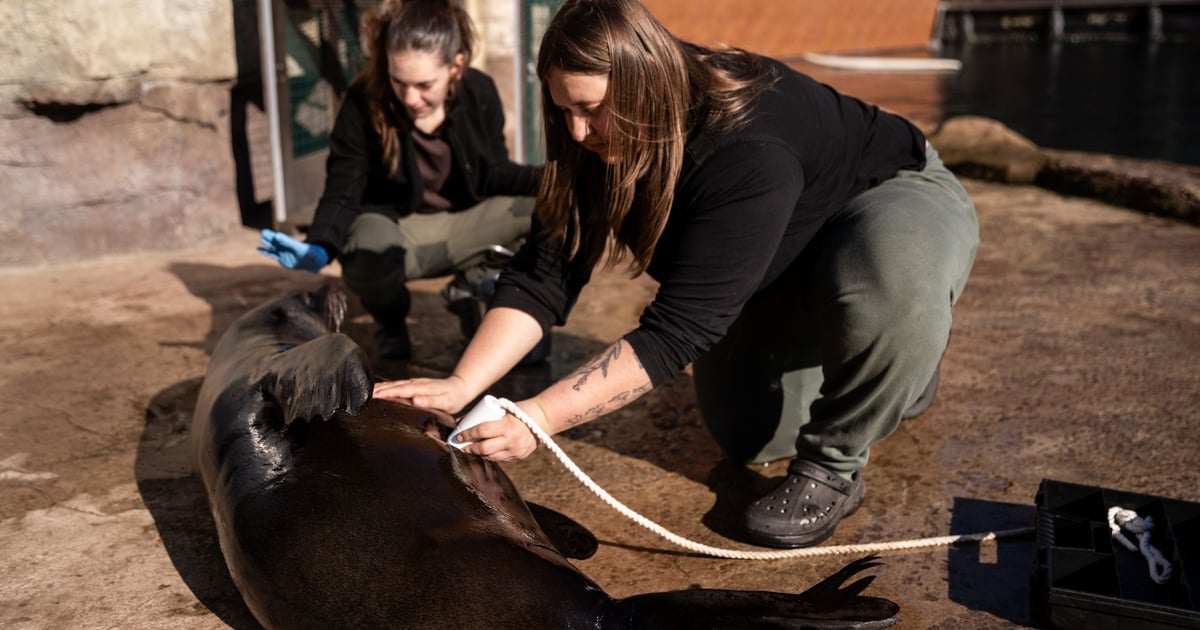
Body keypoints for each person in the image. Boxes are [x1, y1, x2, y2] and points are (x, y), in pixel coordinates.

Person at [375, 0, 979, 549]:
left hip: (881, 196)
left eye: (592, 110)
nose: (580, 132)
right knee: (749, 439)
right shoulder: (591, 139)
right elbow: (545, 274)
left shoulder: (747, 145)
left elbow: (678, 329)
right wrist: (460, 385)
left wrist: (539, 418)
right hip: (773, 251)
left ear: (647, 87)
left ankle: (843, 454)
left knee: (894, 284)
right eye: (564, 111)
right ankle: (882, 370)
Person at [257, 0, 544, 362]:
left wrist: (554, 179)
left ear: (456, 66)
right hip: (399, 231)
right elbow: (343, 190)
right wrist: (320, 244)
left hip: (464, 223)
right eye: (398, 81)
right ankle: (390, 323)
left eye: (424, 85)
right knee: (364, 246)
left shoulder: (480, 92)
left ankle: (473, 288)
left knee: (547, 208)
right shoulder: (363, 102)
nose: (410, 98)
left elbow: (493, 173)